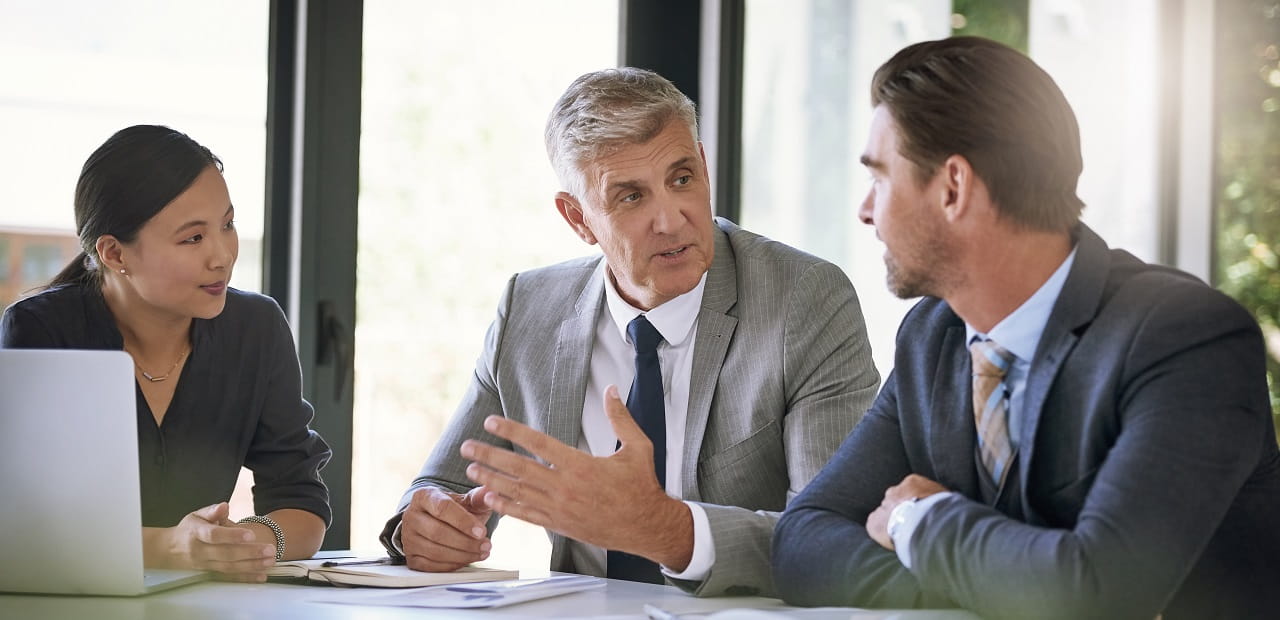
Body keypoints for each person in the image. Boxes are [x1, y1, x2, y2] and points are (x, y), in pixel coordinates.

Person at [771, 36, 1280, 619]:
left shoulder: (1189, 340)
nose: (866, 209)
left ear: (953, 188)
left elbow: (1099, 593)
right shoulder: (932, 337)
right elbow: (802, 542)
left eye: (881, 178)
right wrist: (993, 584)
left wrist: (920, 522)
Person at [378, 67, 880, 597]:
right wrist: (427, 528)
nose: (671, 219)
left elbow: (834, 541)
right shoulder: (528, 310)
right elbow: (441, 489)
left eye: (682, 178)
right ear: (578, 219)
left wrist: (666, 531)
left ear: (704, 166)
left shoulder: (804, 298)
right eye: (631, 197)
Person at [0, 125, 332, 582]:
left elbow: (301, 501)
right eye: (193, 238)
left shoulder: (256, 328)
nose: (222, 256)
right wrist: (173, 546)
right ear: (115, 253)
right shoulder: (40, 330)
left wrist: (247, 540)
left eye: (228, 225)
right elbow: (26, 527)